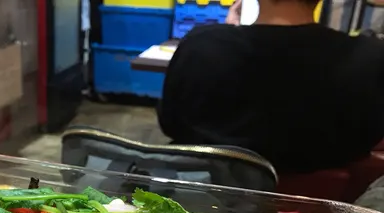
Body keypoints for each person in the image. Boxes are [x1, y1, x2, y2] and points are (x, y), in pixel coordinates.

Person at [157, 0, 384, 173]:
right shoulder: (371, 58)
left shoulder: (202, 46)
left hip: (211, 206)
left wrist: (221, 37)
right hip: (330, 212)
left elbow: (171, 123)